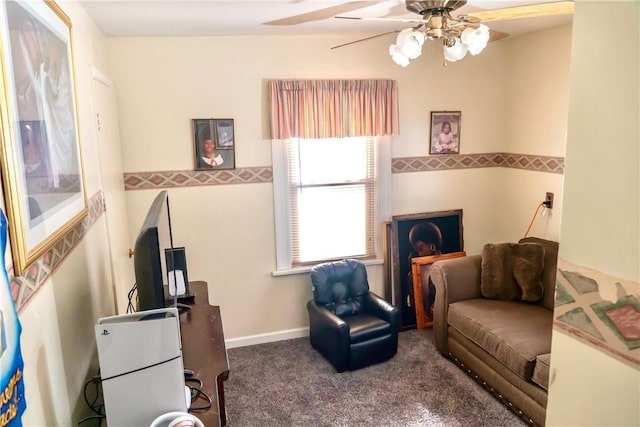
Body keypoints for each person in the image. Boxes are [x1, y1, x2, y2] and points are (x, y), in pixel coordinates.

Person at [406, 221, 443, 323]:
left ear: (431, 244)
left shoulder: (446, 266)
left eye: (420, 248)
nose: (420, 253)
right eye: (417, 250)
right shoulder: (416, 271)